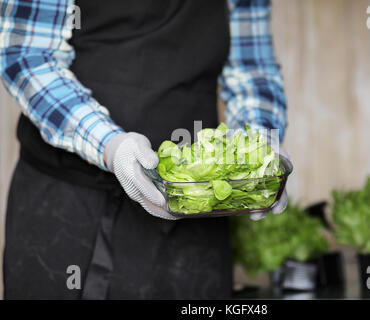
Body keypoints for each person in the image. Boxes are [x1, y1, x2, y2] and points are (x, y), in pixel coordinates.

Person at [0, 0, 287, 299]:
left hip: (196, 214)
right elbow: (27, 54)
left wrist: (259, 150)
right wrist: (111, 145)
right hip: (70, 209)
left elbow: (253, 70)